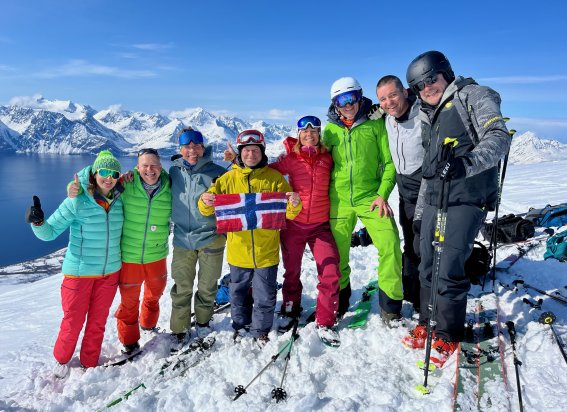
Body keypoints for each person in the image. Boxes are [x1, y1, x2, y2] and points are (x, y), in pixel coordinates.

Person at [401, 51, 511, 367]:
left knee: (448, 265)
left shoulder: (473, 96)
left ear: (445, 73)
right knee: (425, 263)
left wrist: (467, 163)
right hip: (436, 199)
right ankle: (426, 322)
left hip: (467, 197)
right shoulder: (428, 114)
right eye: (419, 85)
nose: (427, 88)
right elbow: (429, 171)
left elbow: (497, 136)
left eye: (430, 79)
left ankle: (447, 335)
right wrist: (420, 213)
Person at [199, 129, 302, 348]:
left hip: (267, 252)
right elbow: (207, 209)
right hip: (239, 252)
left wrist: (294, 204)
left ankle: (261, 330)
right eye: (246, 150)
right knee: (238, 294)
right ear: (240, 152)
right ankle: (240, 325)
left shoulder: (274, 179)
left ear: (262, 152)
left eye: (255, 150)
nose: (251, 154)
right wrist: (205, 200)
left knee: (265, 295)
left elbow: (288, 212)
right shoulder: (227, 180)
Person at [26, 150, 124, 377]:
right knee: (73, 321)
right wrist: (38, 221)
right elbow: (48, 233)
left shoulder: (121, 199)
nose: (108, 178)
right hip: (78, 274)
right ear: (94, 173)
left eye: (114, 173)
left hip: (109, 273)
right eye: (104, 172)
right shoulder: (76, 200)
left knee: (98, 322)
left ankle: (90, 364)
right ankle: (61, 362)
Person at [69, 148, 172, 354]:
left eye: (153, 165)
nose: (149, 170)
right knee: (129, 303)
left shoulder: (171, 187)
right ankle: (129, 341)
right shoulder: (126, 184)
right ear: (137, 166)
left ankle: (148, 324)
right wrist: (74, 188)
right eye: (144, 166)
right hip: (130, 257)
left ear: (161, 167)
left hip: (157, 255)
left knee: (154, 296)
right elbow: (97, 191)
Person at [322, 77, 403, 325]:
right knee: (337, 255)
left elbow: (390, 164)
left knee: (390, 244)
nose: (347, 105)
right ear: (334, 104)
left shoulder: (376, 125)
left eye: (351, 98)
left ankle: (390, 304)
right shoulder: (329, 131)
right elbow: (316, 161)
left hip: (371, 198)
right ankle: (342, 297)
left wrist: (382, 194)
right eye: (341, 100)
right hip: (339, 200)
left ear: (360, 96)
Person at [267, 116, 342, 346]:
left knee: (330, 271)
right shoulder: (290, 160)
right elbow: (264, 173)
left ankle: (325, 320)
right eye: (304, 132)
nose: (309, 135)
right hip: (294, 226)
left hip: (320, 226)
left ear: (319, 134)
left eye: (314, 131)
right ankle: (290, 308)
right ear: (298, 135)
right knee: (291, 271)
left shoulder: (328, 159)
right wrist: (238, 162)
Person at [169, 128, 227, 350]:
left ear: (203, 148)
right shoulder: (173, 172)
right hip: (183, 238)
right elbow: (147, 180)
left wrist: (237, 162)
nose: (192, 150)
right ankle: (179, 329)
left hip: (211, 237)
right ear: (181, 149)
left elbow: (240, 184)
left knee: (207, 285)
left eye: (196, 146)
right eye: (187, 146)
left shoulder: (218, 172)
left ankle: (202, 322)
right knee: (182, 286)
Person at [373, 75, 424, 313]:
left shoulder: (424, 113)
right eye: (383, 99)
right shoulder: (385, 117)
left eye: (392, 95)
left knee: (427, 243)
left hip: (426, 185)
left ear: (404, 91)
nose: (389, 102)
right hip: (405, 188)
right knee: (411, 241)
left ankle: (428, 294)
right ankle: (411, 290)